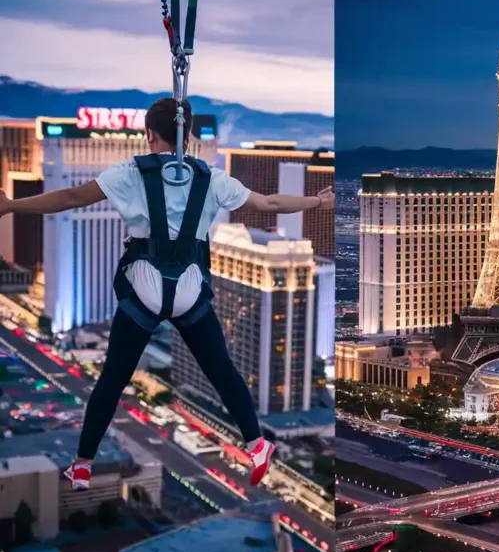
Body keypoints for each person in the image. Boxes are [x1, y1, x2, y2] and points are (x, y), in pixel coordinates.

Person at [0, 97, 334, 490]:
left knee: (113, 378)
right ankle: (256, 442)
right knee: (221, 369)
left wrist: (9, 206)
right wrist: (318, 200)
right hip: (190, 289)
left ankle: (84, 463)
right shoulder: (214, 178)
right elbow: (270, 203)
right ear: (188, 137)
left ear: (149, 135)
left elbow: (70, 198)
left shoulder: (130, 173)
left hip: (145, 287)